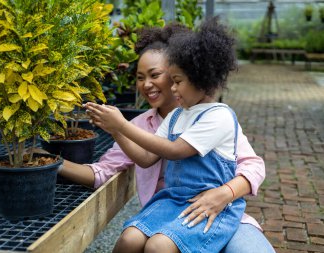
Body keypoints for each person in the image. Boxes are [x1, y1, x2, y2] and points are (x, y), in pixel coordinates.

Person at [57, 23, 274, 252]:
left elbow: (250, 165)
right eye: (140, 77)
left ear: (193, 75)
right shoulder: (165, 119)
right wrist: (115, 130)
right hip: (170, 205)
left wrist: (224, 193)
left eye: (158, 75)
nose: (148, 84)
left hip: (215, 209)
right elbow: (141, 159)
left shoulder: (217, 117)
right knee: (131, 239)